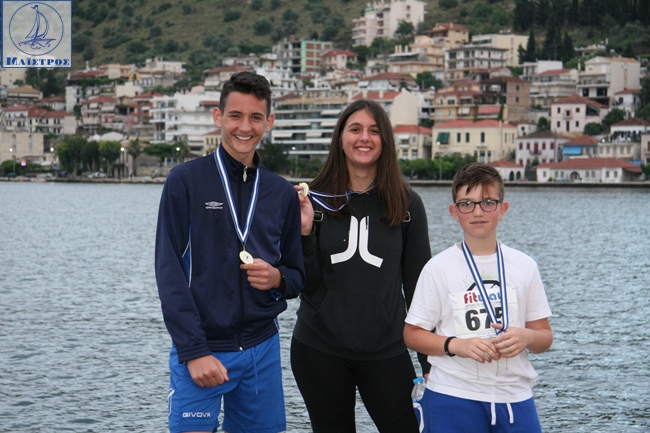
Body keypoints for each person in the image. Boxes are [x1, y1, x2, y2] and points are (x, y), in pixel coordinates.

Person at [155, 71, 305, 433]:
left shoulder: (280, 193)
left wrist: (277, 278)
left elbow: (297, 275)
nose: (245, 127)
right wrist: (194, 351)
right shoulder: (185, 181)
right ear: (218, 117)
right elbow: (169, 271)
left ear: (269, 122)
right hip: (202, 349)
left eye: (256, 117)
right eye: (235, 115)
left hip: (261, 350)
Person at [291, 99, 432, 433]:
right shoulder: (312, 200)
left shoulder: (407, 204)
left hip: (386, 349)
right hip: (319, 349)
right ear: (341, 137)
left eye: (373, 131)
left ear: (385, 141)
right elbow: (303, 284)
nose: (364, 138)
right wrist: (305, 233)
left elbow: (420, 288)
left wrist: (429, 362)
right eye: (355, 129)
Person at [403, 162, 553, 432]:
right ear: (454, 212)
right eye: (467, 204)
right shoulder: (438, 268)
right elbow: (412, 334)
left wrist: (526, 337)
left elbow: (544, 336)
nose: (478, 212)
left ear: (503, 209)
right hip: (453, 394)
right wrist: (455, 345)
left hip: (514, 396)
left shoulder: (525, 265)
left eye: (488, 202)